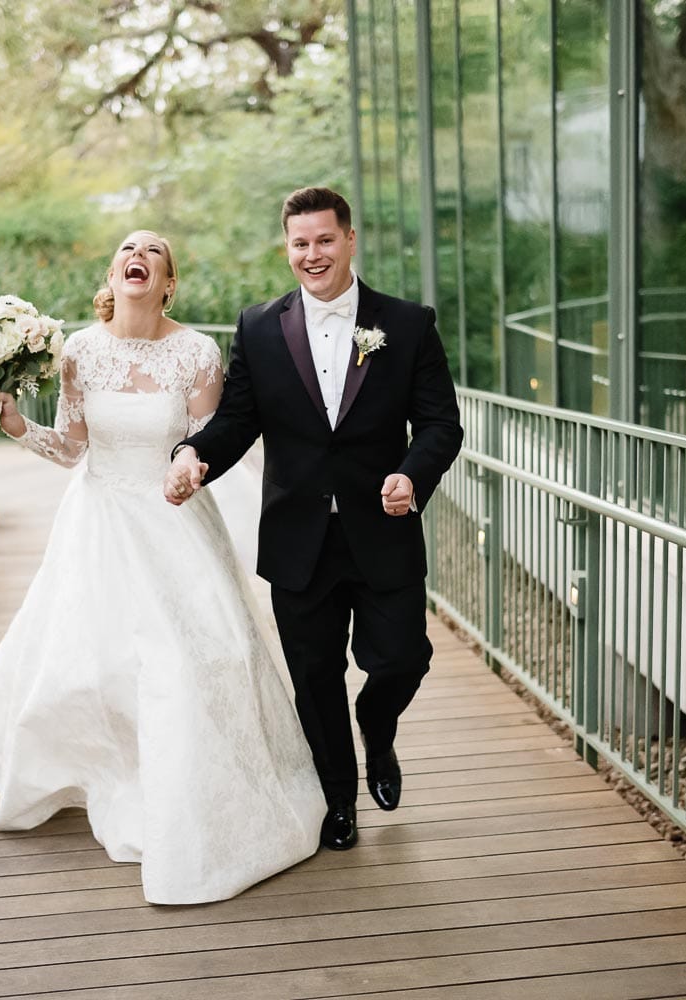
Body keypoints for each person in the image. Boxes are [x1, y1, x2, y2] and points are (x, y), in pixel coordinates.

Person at [0, 230, 325, 905]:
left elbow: (214, 441)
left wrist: (189, 468)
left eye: (152, 251)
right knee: (100, 660)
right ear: (113, 276)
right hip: (101, 524)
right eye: (124, 250)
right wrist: (16, 422)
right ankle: (117, 769)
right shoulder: (80, 352)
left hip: (175, 520)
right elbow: (71, 448)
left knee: (197, 656)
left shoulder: (196, 352)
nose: (136, 255)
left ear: (167, 280)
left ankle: (193, 789)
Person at [166, 186, 464, 851]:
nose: (313, 254)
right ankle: (339, 803)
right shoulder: (259, 327)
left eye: (325, 240)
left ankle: (377, 725)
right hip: (299, 538)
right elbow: (238, 422)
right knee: (314, 677)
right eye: (300, 243)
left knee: (402, 659)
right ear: (288, 248)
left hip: (382, 532)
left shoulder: (407, 323)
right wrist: (192, 455)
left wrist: (412, 474)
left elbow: (442, 424)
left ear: (349, 240)